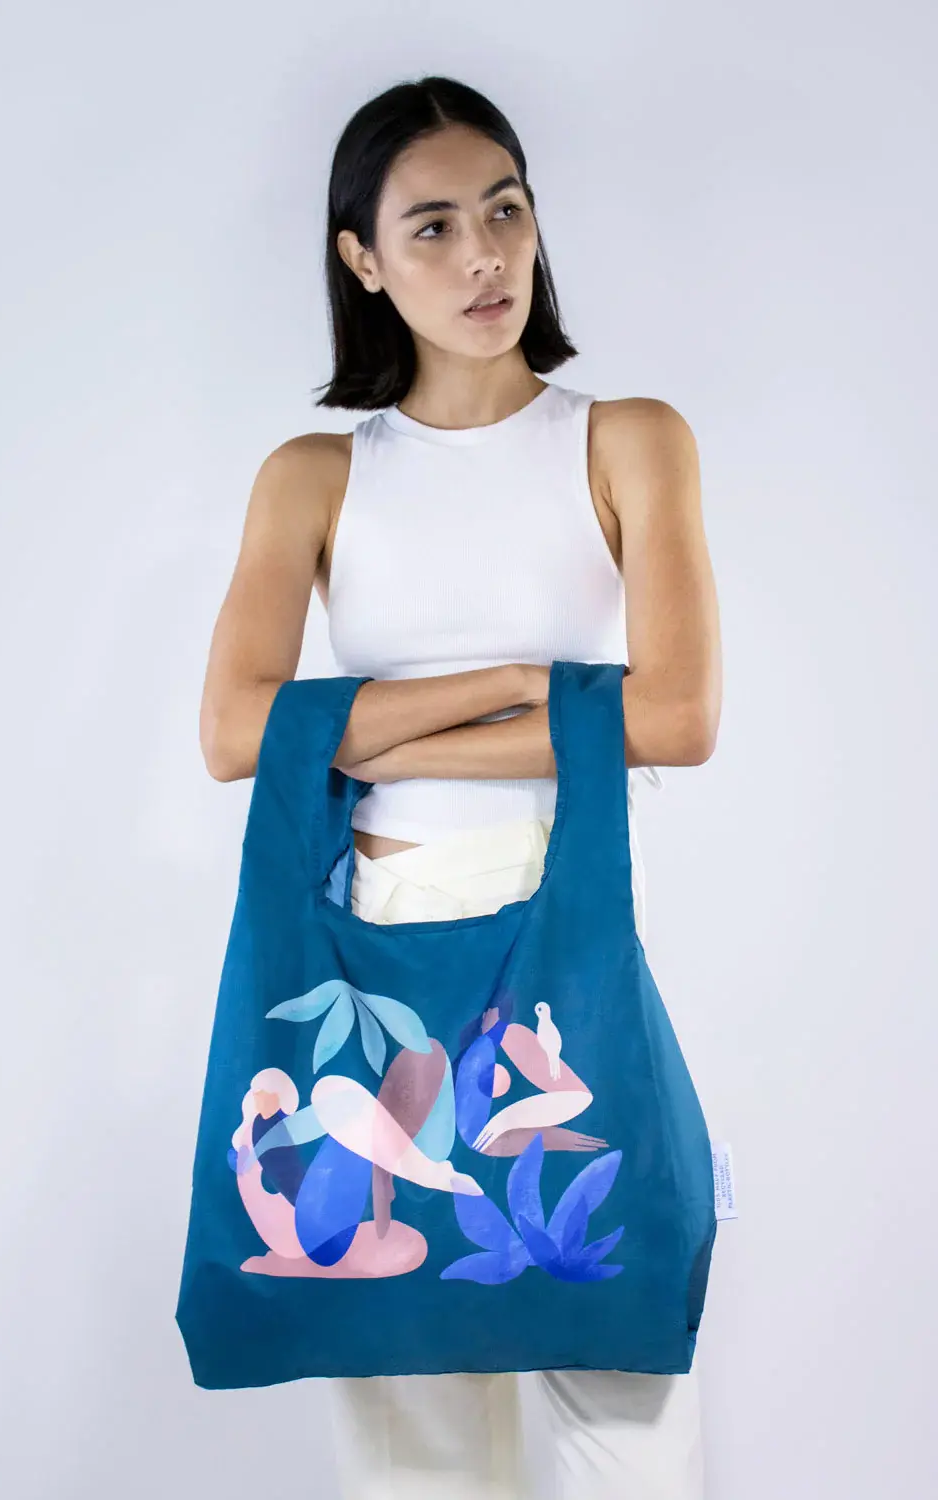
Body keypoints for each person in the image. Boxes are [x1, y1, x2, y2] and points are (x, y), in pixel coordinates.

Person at [199, 74, 721, 1500]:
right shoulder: (317, 475)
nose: (484, 256)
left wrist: (357, 735)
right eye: (431, 227)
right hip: (370, 937)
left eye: (505, 211)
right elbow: (236, 732)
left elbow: (676, 717)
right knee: (410, 1397)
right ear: (362, 259)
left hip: (562, 913)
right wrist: (534, 687)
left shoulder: (626, 438)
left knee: (620, 1348)